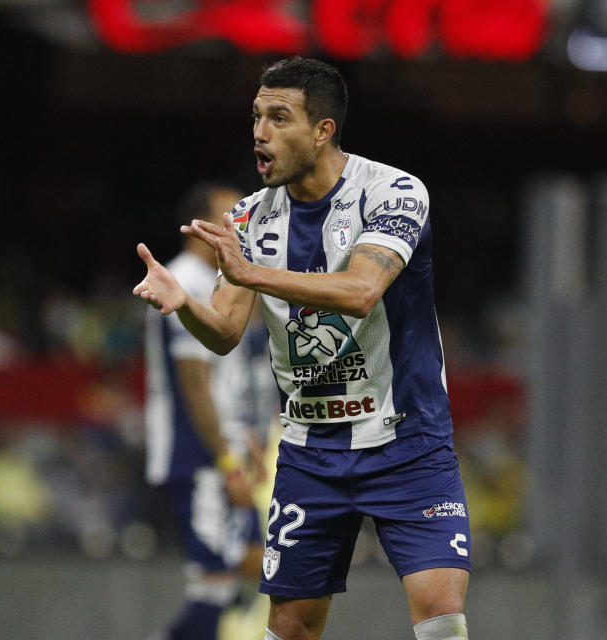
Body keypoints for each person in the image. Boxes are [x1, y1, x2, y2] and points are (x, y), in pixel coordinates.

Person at [134, 57, 471, 640]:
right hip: (310, 452)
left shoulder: (392, 192)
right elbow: (226, 333)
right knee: (290, 626)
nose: (260, 131)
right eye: (257, 116)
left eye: (279, 117)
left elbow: (363, 291)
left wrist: (251, 274)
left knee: (441, 614)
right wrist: (185, 305)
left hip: (407, 442)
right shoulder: (249, 218)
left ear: (323, 130)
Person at [143, 182, 272, 640]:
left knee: (257, 561)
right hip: (197, 453)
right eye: (228, 217)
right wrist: (225, 459)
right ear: (198, 226)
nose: (239, 226)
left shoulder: (216, 280)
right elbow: (194, 387)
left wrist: (246, 440)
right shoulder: (183, 280)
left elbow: (226, 383)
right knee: (215, 581)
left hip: (223, 446)